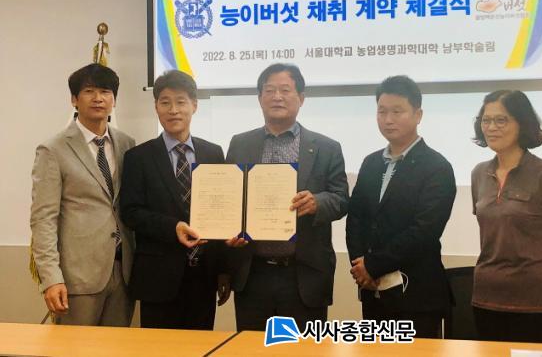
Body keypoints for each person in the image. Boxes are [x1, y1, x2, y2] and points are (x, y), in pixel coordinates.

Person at [224, 63, 349, 331]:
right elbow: (229, 198)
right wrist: (229, 230)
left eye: (285, 90)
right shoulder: (240, 143)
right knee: (252, 348)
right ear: (260, 98)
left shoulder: (326, 147)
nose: (277, 97)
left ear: (301, 98)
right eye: (269, 90)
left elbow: (341, 198)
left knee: (303, 348)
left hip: (303, 275)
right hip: (252, 273)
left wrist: (317, 202)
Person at [346, 75, 456, 339]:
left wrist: (373, 265)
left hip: (416, 295)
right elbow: (356, 218)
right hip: (372, 291)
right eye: (382, 111)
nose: (388, 119)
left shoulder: (437, 167)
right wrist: (360, 266)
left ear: (418, 115)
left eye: (397, 111)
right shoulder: (371, 162)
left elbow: (425, 230)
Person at [119, 70, 228, 330]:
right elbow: (131, 212)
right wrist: (173, 227)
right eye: (165, 102)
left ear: (194, 105)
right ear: (156, 106)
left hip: (204, 276)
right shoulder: (138, 157)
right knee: (158, 348)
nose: (173, 110)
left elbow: (223, 210)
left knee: (200, 346)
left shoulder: (213, 153)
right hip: (158, 277)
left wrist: (224, 270)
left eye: (181, 102)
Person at [30, 63, 136, 326]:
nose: (98, 98)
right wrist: (51, 278)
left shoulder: (127, 144)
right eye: (89, 91)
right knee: (74, 347)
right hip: (76, 277)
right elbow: (43, 219)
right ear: (74, 99)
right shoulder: (53, 149)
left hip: (122, 272)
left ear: (114, 100)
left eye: (105, 91)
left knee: (118, 347)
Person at [470, 90, 542, 343]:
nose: (491, 127)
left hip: (536, 302)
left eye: (501, 120)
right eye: (486, 120)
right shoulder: (479, 174)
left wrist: (539, 276)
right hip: (486, 298)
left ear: (522, 123)